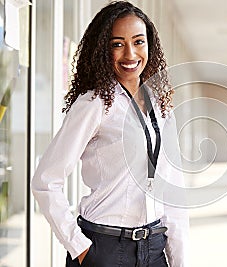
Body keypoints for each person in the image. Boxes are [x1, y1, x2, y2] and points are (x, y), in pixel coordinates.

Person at [31, 1, 189, 266]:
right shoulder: (95, 103)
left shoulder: (160, 106)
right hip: (105, 249)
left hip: (154, 250)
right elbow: (46, 181)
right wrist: (80, 248)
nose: (130, 53)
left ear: (149, 44)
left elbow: (173, 191)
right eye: (117, 44)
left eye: (138, 42)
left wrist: (180, 260)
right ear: (104, 49)